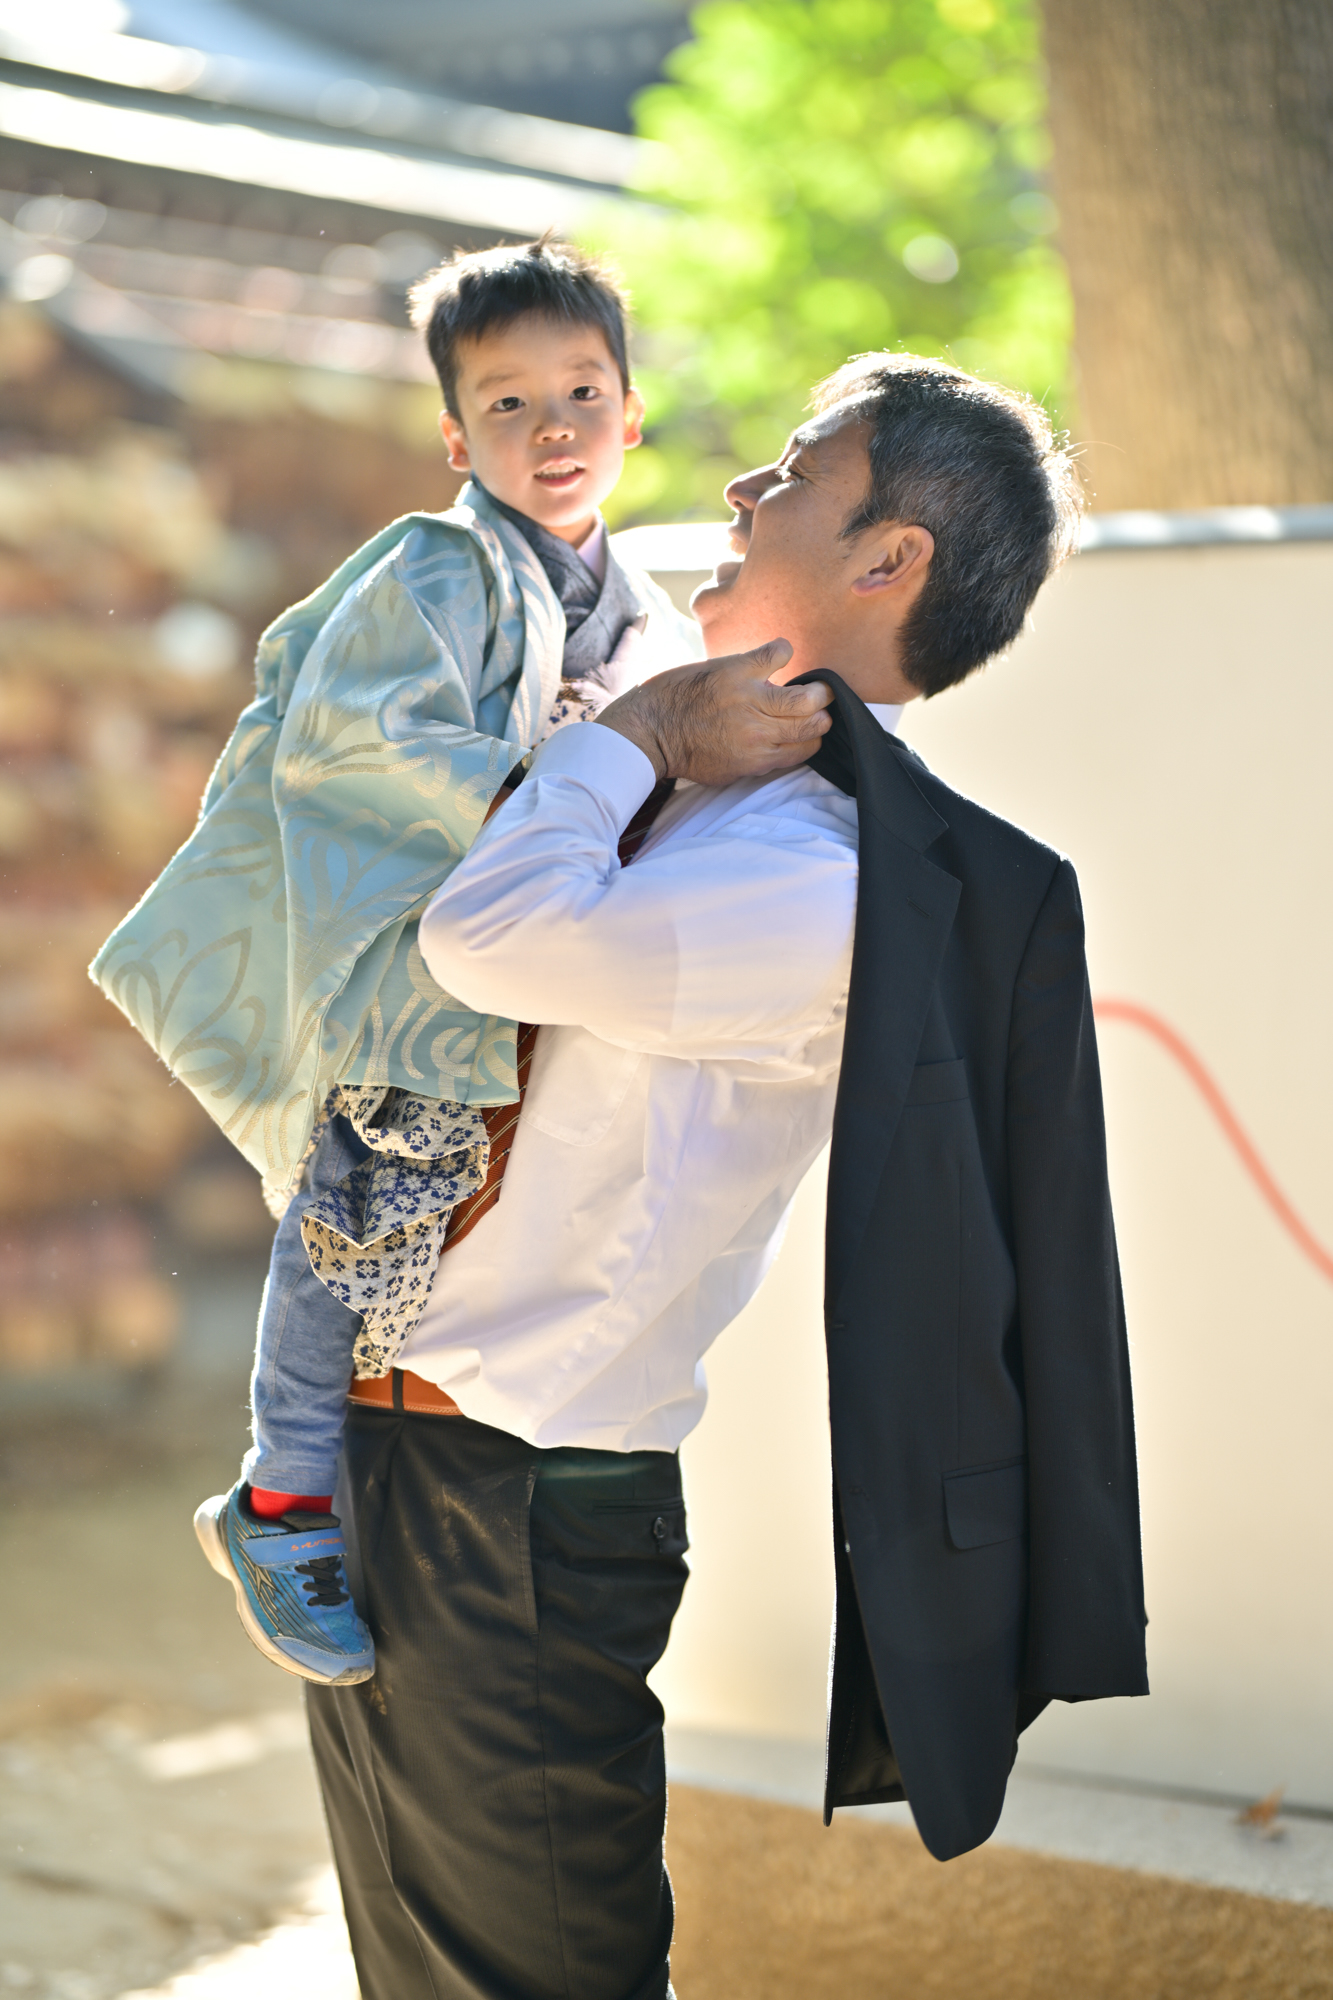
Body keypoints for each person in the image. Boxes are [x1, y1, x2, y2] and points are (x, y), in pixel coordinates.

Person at [303, 353, 1147, 1999]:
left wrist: (635, 732)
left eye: (790, 472)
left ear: (884, 561)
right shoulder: (707, 797)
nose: (742, 491)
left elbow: (487, 944)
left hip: (521, 1502)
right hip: (415, 1463)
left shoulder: (815, 871)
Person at [90, 238, 701, 1684]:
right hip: (409, 968)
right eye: (506, 407)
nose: (551, 431)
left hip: (522, 969)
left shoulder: (639, 589)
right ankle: (281, 1495)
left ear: (633, 412)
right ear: (452, 436)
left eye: (579, 393)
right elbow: (356, 740)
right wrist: (576, 765)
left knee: (444, 1240)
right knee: (347, 1222)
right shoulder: (435, 567)